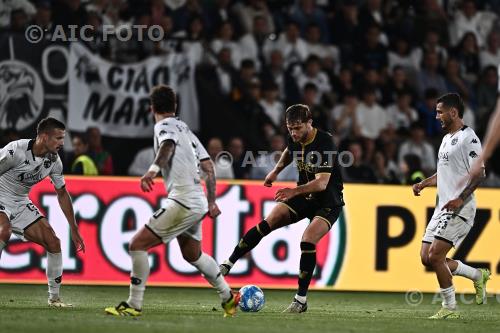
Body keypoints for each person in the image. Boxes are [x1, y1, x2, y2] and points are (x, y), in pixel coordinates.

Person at [104, 85, 239, 317]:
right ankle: (228, 297)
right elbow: (208, 166)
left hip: (183, 200)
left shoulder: (163, 126)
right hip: (196, 201)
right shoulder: (185, 129)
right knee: (192, 254)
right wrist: (211, 202)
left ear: (151, 108)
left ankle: (133, 304)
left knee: (137, 244)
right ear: (175, 106)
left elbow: (167, 145)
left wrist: (152, 171)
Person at [219, 104, 344, 313]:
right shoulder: (295, 138)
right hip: (305, 197)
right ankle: (228, 263)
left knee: (308, 239)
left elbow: (322, 183)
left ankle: (300, 301)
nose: (293, 133)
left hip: (328, 201)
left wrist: (293, 191)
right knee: (269, 221)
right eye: (290, 128)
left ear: (309, 123)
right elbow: (289, 150)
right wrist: (276, 171)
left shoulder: (325, 142)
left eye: (298, 128)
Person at [412, 93, 489, 319]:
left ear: (453, 113)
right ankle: (477, 275)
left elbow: (480, 173)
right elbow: (444, 173)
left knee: (436, 256)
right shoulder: (447, 139)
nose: (437, 117)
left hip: (460, 208)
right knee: (427, 257)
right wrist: (424, 184)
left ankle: (450, 308)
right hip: (442, 208)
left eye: (439, 112)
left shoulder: (469, 138)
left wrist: (460, 198)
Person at [0, 117, 85, 307]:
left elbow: (62, 193)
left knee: (53, 242)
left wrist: (74, 228)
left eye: (63, 138)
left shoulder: (54, 161)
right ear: (44, 137)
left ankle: (54, 299)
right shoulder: (16, 150)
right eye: (58, 138)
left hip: (21, 203)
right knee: (3, 230)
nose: (62, 143)